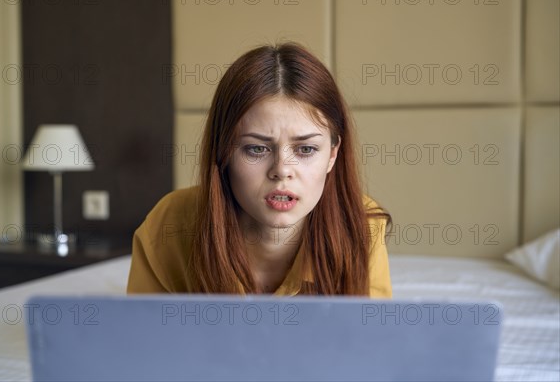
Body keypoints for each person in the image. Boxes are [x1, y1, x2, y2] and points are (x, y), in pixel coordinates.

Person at [127, 42, 392, 297]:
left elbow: (372, 342)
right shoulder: (170, 225)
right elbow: (143, 340)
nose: (282, 170)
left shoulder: (360, 227)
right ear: (224, 153)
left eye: (306, 149)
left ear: (332, 155)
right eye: (256, 149)